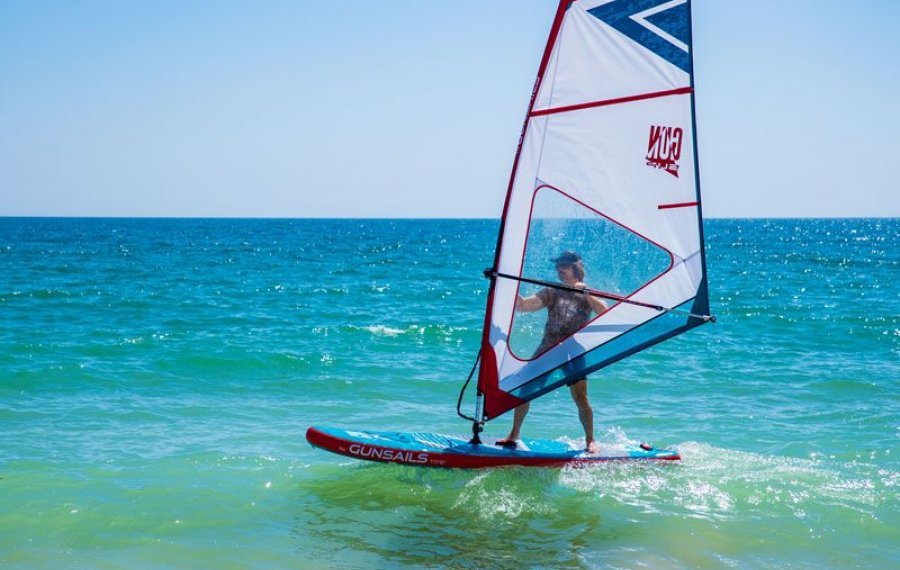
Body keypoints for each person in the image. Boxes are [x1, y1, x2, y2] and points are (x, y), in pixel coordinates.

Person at [497, 251, 609, 453]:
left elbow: (604, 311)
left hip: (573, 351)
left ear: (575, 268)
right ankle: (514, 435)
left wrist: (587, 294)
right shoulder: (552, 291)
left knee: (580, 397)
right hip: (547, 347)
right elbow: (523, 306)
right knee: (526, 389)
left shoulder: (586, 292)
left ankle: (590, 440)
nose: (559, 272)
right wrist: (507, 286)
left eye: (563, 268)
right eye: (557, 268)